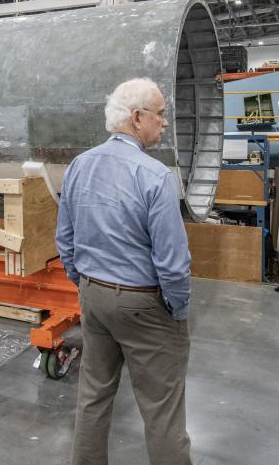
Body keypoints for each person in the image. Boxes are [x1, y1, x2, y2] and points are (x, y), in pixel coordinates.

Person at [56, 77, 192, 465]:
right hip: (144, 304)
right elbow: (172, 262)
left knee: (93, 396)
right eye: (160, 115)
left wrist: (84, 283)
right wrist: (177, 310)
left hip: (94, 298)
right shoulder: (154, 176)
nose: (164, 123)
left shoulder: (80, 166)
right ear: (136, 118)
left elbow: (64, 240)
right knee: (162, 411)